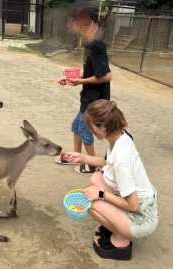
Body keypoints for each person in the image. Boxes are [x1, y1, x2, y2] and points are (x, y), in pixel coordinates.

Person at [63, 100, 159, 260]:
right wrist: (82, 157)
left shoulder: (122, 159)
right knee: (96, 177)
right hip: (145, 203)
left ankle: (121, 238)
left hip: (141, 216)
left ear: (104, 126)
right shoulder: (121, 137)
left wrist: (100, 194)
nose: (92, 131)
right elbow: (107, 161)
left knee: (89, 201)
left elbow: (133, 206)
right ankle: (117, 224)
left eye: (93, 128)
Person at [55, 0, 112, 174]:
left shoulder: (95, 46)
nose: (71, 25)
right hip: (88, 98)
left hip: (95, 100)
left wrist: (80, 82)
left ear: (83, 20)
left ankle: (93, 164)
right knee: (76, 126)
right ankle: (76, 156)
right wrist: (71, 77)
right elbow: (90, 71)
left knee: (85, 131)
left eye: (74, 21)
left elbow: (106, 75)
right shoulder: (91, 44)